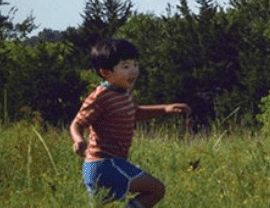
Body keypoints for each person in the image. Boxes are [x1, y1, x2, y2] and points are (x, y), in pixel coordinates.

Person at [69, 38, 190, 207]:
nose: (133, 71)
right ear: (106, 73)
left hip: (114, 163)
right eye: (125, 66)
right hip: (103, 164)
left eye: (135, 65)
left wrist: (165, 109)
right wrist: (79, 140)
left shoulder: (124, 93)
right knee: (156, 189)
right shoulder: (100, 97)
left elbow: (136, 113)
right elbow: (77, 123)